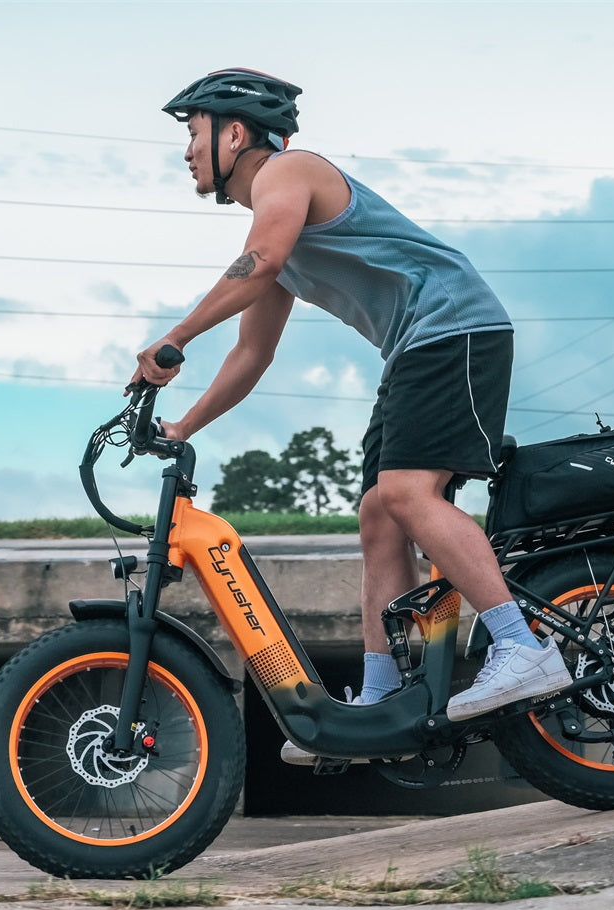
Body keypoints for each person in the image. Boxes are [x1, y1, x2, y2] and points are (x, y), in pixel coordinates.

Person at [133, 68, 569, 761]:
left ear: (235, 133)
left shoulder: (290, 173)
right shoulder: (276, 230)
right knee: (378, 512)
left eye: (193, 135)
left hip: (455, 327)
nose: (186, 152)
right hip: (414, 350)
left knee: (405, 493)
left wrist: (174, 338)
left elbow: (261, 259)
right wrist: (185, 426)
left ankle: (522, 645)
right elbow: (253, 353)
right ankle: (383, 694)